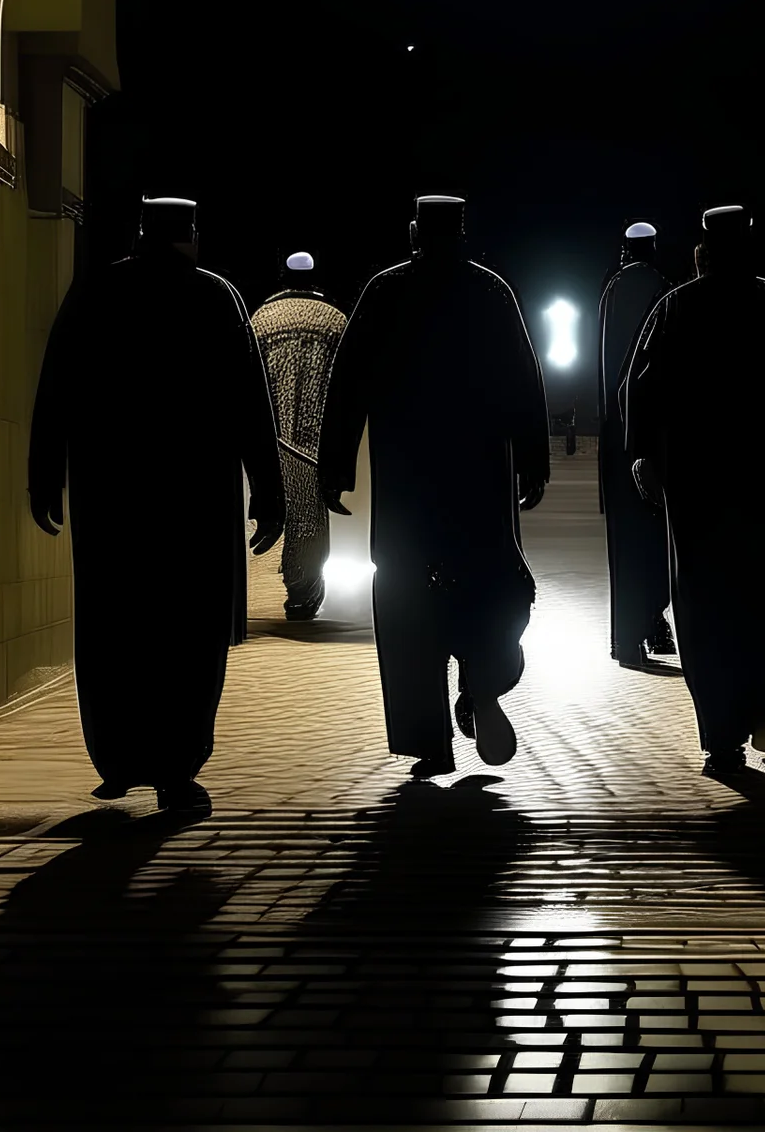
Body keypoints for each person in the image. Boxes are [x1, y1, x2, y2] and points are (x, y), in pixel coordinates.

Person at [27, 196, 285, 813]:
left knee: (113, 626)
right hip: (194, 502)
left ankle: (116, 758)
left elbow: (54, 389)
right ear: (190, 237)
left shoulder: (96, 292)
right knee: (189, 636)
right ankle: (176, 766)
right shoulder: (215, 298)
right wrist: (269, 494)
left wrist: (44, 479)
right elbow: (252, 407)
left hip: (112, 500)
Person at [318, 195, 549, 778]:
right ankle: (482, 676)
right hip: (478, 483)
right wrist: (533, 458)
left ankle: (426, 738)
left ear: (416, 231)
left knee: (405, 601)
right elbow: (525, 380)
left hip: (408, 487)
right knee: (489, 586)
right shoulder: (490, 291)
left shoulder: (386, 291)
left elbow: (349, 386)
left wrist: (335, 464)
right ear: (463, 234)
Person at [623, 205, 765, 777]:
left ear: (703, 253)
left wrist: (642, 454)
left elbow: (640, 389)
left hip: (697, 485)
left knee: (702, 600)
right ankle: (759, 691)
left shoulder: (676, 308)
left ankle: (721, 731)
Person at [251, 252, 348, 619]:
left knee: (271, 511)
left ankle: (292, 587)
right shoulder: (336, 320)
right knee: (309, 515)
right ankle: (302, 590)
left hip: (267, 435)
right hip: (316, 438)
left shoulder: (261, 319)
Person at [598, 221, 674, 666]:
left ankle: (625, 636)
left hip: (615, 436)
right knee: (656, 538)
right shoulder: (665, 290)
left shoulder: (611, 291)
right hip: (654, 435)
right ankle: (649, 620)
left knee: (622, 542)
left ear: (626, 250)